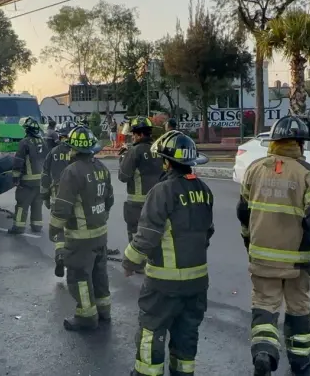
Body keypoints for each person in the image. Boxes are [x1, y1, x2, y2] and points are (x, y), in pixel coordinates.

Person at [236, 115, 310, 376]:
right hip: (297, 261)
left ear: (274, 142)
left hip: (261, 258)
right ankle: (301, 361)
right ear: (300, 144)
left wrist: (249, 242)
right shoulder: (308, 175)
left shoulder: (255, 169)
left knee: (264, 306)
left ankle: (263, 353)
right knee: (298, 308)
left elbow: (243, 211)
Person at [123, 130, 214, 376]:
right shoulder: (204, 190)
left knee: (152, 329)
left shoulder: (162, 191)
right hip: (197, 283)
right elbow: (208, 233)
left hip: (164, 284)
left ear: (166, 161)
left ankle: (146, 373)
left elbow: (147, 237)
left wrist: (129, 261)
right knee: (186, 333)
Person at [49, 125, 114, 331]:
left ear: (74, 149)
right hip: (100, 234)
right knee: (99, 274)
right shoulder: (101, 168)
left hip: (80, 238)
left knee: (79, 276)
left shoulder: (72, 172)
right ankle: (104, 311)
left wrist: (53, 229)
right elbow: (109, 199)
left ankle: (86, 316)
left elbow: (62, 207)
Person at [118, 117, 164, 245]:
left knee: (137, 240)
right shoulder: (158, 150)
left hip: (137, 207)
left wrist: (123, 157)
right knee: (155, 237)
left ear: (139, 134)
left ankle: (136, 264)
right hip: (157, 203)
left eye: (133, 134)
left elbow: (123, 176)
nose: (132, 137)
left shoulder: (134, 151)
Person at [40, 121, 76, 277]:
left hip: (57, 197)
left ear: (60, 136)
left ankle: (60, 255)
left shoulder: (53, 152)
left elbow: (45, 177)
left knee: (60, 229)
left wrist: (45, 198)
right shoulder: (79, 153)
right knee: (75, 228)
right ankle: (75, 260)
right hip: (75, 199)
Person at [9, 117, 48, 234]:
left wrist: (15, 178)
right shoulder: (42, 141)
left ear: (27, 130)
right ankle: (37, 226)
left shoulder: (24, 142)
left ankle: (18, 227)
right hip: (40, 181)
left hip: (27, 182)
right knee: (37, 204)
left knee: (22, 204)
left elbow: (18, 161)